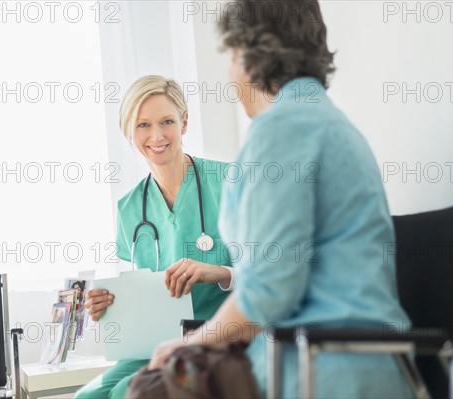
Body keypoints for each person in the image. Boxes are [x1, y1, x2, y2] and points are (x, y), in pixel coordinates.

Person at [148, 1, 413, 398]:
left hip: (317, 371)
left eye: (232, 56)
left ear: (248, 54)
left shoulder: (281, 130)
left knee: (153, 386)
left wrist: (190, 343)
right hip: (362, 364)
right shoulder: (331, 124)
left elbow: (269, 291)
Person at [75, 76, 235, 399]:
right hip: (154, 343)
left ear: (184, 122)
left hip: (216, 336)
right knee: (87, 398)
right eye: (143, 125)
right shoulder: (129, 208)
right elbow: (136, 295)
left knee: (125, 393)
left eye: (167, 122)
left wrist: (217, 272)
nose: (157, 136)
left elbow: (269, 277)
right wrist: (105, 307)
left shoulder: (228, 182)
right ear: (130, 133)